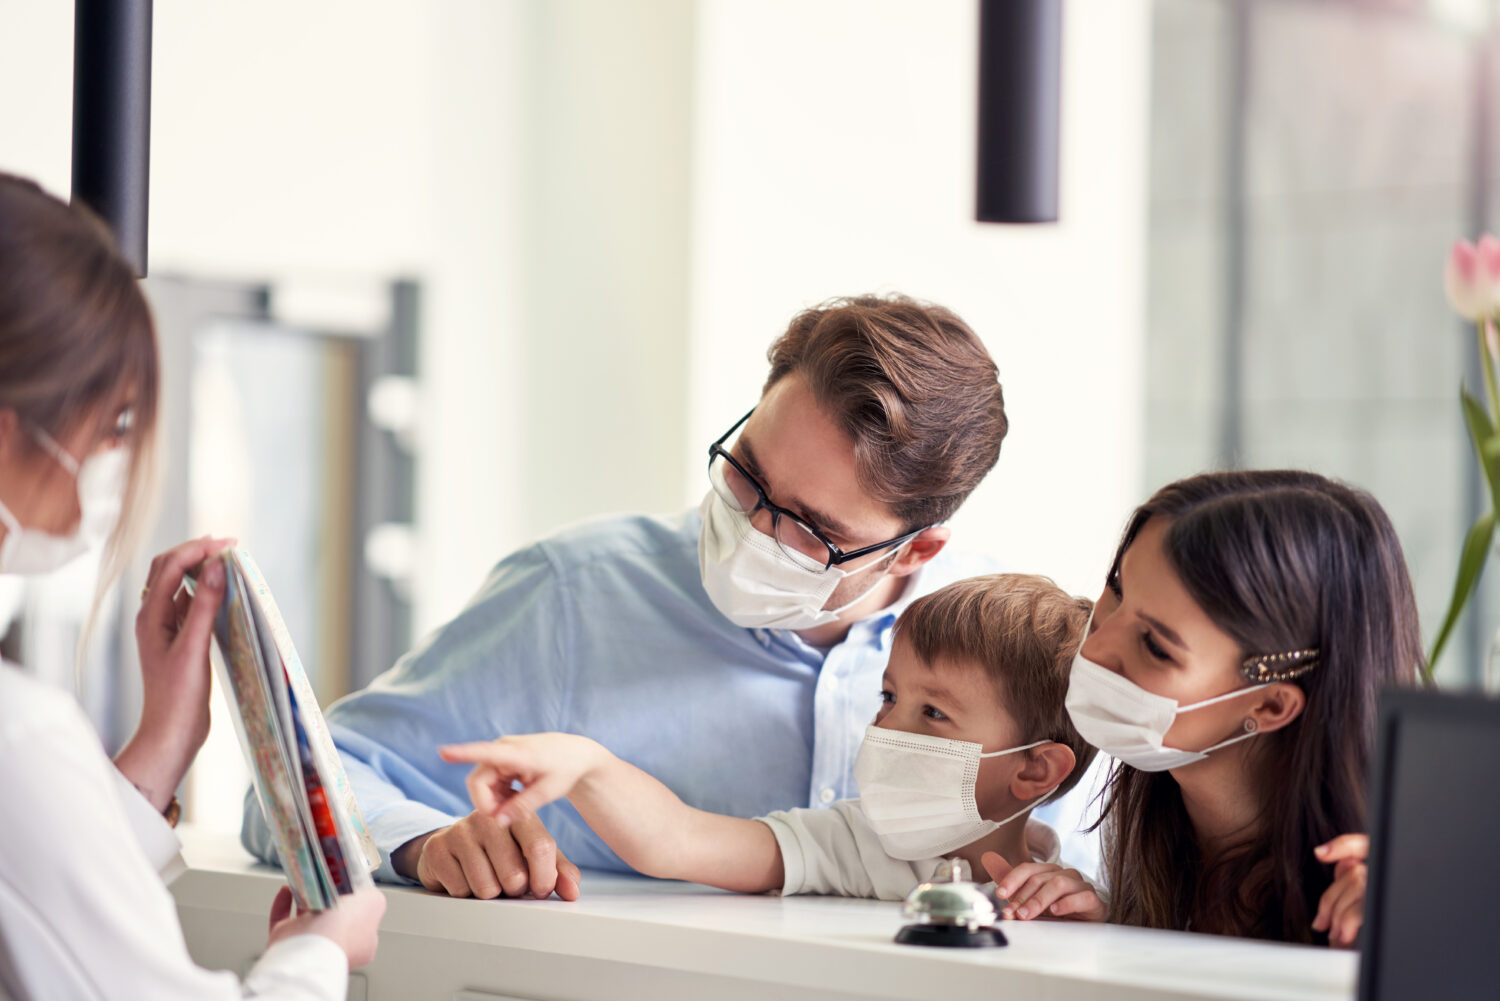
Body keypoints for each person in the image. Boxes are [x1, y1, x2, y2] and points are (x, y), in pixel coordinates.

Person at [245, 294, 1110, 898]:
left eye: (811, 527)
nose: (752, 530)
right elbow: (295, 784)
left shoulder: (1015, 647)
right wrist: (426, 842)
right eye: (746, 474)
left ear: (918, 547)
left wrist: (1069, 890)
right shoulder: (575, 596)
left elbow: (1102, 861)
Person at [0, 172, 384, 1000]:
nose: (112, 466)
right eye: (111, 427)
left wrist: (159, 749)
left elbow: (34, 885)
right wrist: (318, 951)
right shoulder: (19, 734)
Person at [438, 574, 1095, 901]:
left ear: (1036, 771)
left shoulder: (1079, 885)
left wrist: (1085, 921)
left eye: (934, 715)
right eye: (890, 696)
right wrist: (584, 764)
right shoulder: (855, 844)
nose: (886, 725)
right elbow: (678, 838)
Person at [981, 471, 1421, 946]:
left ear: (1271, 704)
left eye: (1155, 645)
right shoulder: (1150, 835)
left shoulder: (1380, 898)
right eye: (1118, 590)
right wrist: (1097, 948)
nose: (1095, 647)